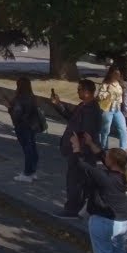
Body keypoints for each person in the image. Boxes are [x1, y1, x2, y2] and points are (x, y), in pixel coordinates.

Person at [50, 80, 104, 218]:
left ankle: (72, 209)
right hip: (76, 149)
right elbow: (71, 117)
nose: (77, 92)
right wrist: (58, 104)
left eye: (79, 89)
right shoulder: (83, 105)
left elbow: (86, 133)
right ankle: (84, 207)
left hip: (82, 151)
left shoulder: (92, 110)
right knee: (79, 180)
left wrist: (79, 151)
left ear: (87, 92)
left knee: (75, 181)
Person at [3, 76, 45, 182]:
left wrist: (9, 108)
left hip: (22, 127)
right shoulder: (32, 97)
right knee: (32, 149)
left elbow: (17, 116)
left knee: (27, 150)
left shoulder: (19, 99)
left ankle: (27, 173)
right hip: (32, 126)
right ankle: (32, 171)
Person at [96, 68, 127, 151]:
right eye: (115, 74)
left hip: (117, 109)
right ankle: (104, 147)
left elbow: (122, 96)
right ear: (111, 74)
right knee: (106, 129)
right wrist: (108, 93)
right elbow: (100, 96)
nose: (117, 76)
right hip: (107, 109)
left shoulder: (120, 84)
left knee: (123, 128)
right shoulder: (106, 84)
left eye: (118, 74)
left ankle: (123, 148)